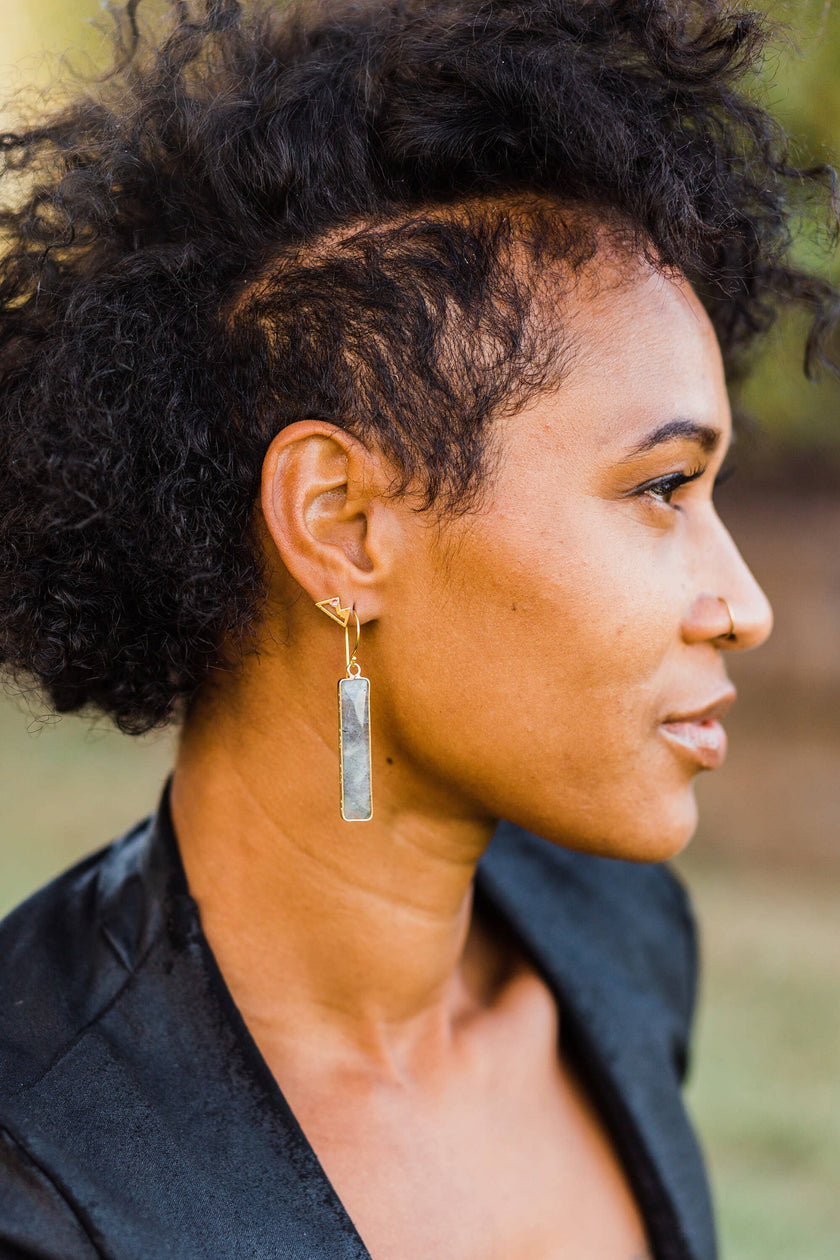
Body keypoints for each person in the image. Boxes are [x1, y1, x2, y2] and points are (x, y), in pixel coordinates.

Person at [0, 0, 836, 1256]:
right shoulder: (43, 1174)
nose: (747, 607)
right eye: (662, 487)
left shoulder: (617, 938)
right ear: (341, 527)